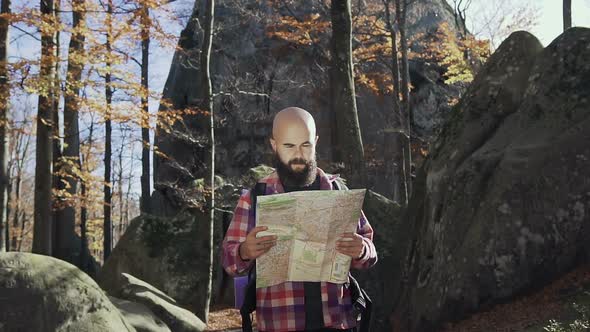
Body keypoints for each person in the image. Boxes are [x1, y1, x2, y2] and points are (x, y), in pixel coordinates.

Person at [222, 107, 377, 332]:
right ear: (274, 145)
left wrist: (361, 249)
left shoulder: (338, 192)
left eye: (306, 145)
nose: (298, 154)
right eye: (288, 146)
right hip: (280, 324)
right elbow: (229, 263)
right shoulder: (254, 197)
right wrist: (244, 251)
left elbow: (369, 254)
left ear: (315, 142)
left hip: (337, 323)